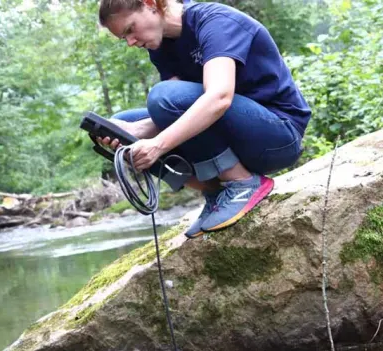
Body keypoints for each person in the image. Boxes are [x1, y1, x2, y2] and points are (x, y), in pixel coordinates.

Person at [94, 0, 310, 238]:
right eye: (123, 38)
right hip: (236, 134)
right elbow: (170, 112)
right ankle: (215, 191)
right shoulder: (160, 46)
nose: (131, 42)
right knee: (122, 123)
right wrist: (135, 129)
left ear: (151, 4)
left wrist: (156, 145)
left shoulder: (214, 22)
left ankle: (241, 183)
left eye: (130, 30)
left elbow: (219, 97)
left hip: (278, 135)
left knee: (162, 97)